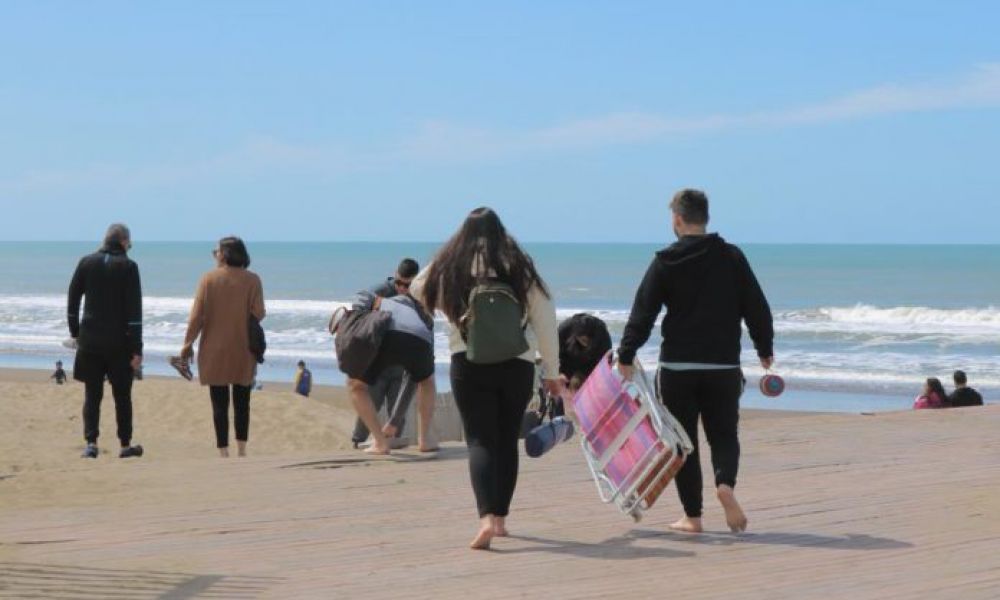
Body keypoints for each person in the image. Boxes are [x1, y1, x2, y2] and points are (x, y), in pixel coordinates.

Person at [618, 189, 774, 534]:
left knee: (681, 441)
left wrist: (626, 353)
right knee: (723, 435)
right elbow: (756, 305)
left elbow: (643, 312)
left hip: (678, 368)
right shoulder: (732, 257)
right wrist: (765, 349)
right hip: (722, 367)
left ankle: (693, 516)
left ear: (677, 219)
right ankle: (725, 486)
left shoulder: (665, 261)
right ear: (706, 217)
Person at [411, 207, 562, 550]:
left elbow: (419, 288)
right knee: (507, 440)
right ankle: (501, 519)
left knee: (479, 440)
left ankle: (484, 520)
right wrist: (551, 372)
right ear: (501, 231)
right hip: (517, 362)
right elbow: (545, 314)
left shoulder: (453, 263)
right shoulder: (518, 264)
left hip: (468, 359)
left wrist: (452, 313)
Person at [179, 237, 266, 458]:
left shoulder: (208, 279)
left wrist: (187, 343)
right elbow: (259, 312)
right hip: (243, 348)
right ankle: (242, 450)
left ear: (224, 254)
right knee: (242, 401)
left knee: (219, 403)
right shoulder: (253, 280)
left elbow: (196, 316)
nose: (214, 255)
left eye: (216, 251)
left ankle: (223, 451)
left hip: (213, 349)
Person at [67, 223, 145, 459]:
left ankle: (91, 444)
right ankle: (124, 445)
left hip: (90, 339)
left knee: (92, 394)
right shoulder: (129, 267)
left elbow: (72, 299)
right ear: (123, 241)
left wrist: (75, 331)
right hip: (119, 342)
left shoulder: (86, 262)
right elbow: (134, 312)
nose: (130, 246)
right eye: (129, 242)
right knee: (122, 395)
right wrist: (137, 347)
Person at [331, 289, 437, 456]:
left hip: (387, 334)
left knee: (355, 387)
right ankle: (425, 440)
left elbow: (362, 328)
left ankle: (380, 443)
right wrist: (394, 421)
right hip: (420, 337)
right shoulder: (407, 305)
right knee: (426, 381)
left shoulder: (365, 301)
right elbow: (412, 379)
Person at [351, 258, 421, 448]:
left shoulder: (418, 296)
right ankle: (358, 443)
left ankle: (392, 443)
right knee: (371, 405)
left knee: (398, 412)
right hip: (378, 361)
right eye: (399, 283)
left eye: (408, 285)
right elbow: (359, 301)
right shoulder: (381, 290)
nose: (402, 289)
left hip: (402, 363)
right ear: (395, 275)